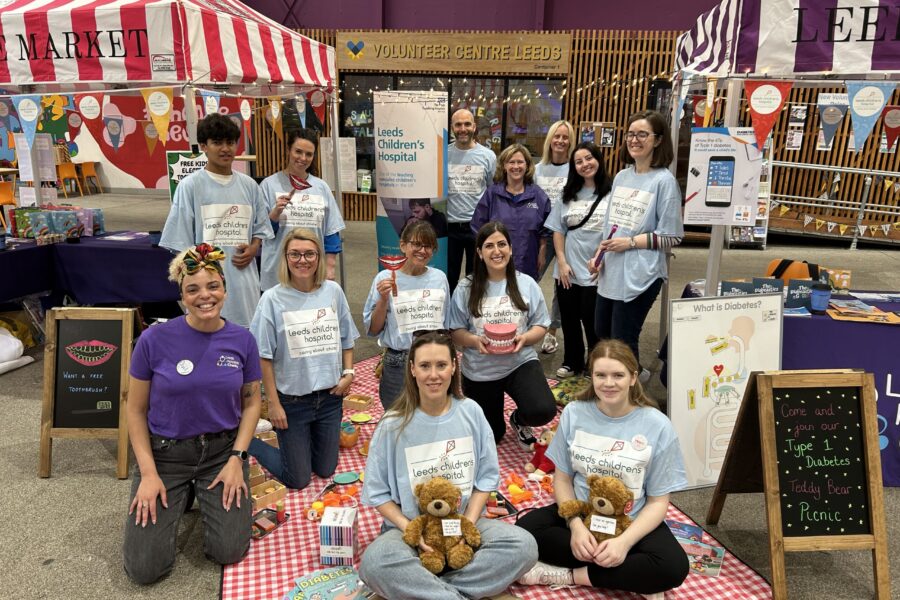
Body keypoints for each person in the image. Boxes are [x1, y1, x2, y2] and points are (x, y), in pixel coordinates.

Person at [359, 330, 538, 599]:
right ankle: (459, 591)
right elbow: (377, 493)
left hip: (462, 522)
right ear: (412, 370)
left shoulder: (471, 412)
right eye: (425, 366)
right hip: (410, 529)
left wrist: (467, 525)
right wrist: (410, 530)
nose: (434, 375)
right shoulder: (392, 424)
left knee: (524, 545)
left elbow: (485, 480)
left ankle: (427, 589)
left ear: (454, 366)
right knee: (374, 563)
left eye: (442, 365)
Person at [123, 243, 261, 584]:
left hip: (221, 454)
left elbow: (252, 403)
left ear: (225, 290)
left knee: (228, 551)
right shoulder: (154, 339)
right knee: (144, 570)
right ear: (182, 296)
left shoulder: (242, 340)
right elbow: (135, 409)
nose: (205, 296)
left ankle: (198, 491)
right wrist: (149, 474)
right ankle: (181, 491)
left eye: (213, 286)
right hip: (166, 456)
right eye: (193, 289)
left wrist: (236, 459)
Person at [516, 339, 689, 598]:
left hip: (630, 520)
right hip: (582, 512)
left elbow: (658, 501)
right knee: (522, 533)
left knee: (674, 567)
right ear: (591, 376)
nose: (609, 383)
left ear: (633, 377)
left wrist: (624, 542)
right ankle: (631, 574)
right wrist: (575, 525)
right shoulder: (574, 413)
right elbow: (562, 480)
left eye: (618, 375)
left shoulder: (658, 425)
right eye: (600, 375)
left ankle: (571, 575)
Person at [248, 228, 359, 489]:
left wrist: (349, 373)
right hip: (292, 402)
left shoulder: (333, 292)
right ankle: (251, 443)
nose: (303, 260)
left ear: (319, 257)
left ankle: (300, 444)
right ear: (285, 258)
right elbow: (263, 356)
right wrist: (273, 404)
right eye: (295, 254)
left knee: (325, 470)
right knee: (297, 479)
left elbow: (347, 339)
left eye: (310, 254)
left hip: (330, 399)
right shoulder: (272, 300)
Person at [590, 110, 683, 378]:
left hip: (642, 273)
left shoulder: (664, 182)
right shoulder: (621, 176)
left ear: (658, 140)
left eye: (643, 134)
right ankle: (635, 376)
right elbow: (611, 225)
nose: (634, 139)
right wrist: (598, 257)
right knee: (602, 331)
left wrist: (629, 243)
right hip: (612, 270)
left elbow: (672, 235)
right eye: (631, 134)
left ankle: (631, 400)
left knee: (622, 340)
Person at [449, 221, 557, 450]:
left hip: (519, 363)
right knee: (492, 435)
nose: (496, 251)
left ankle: (519, 419)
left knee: (542, 410)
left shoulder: (526, 283)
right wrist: (473, 341)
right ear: (479, 252)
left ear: (510, 248)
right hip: (480, 370)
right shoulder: (465, 288)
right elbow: (455, 331)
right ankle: (496, 420)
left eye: (502, 244)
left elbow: (541, 325)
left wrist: (525, 339)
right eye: (489, 246)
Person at [160, 113, 273, 328]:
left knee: (245, 335)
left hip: (244, 282)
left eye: (230, 143)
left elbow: (261, 228)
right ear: (203, 145)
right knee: (208, 336)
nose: (225, 149)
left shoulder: (250, 186)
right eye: (217, 143)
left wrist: (254, 247)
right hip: (207, 286)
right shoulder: (191, 186)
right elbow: (181, 244)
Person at [364, 220, 450, 409]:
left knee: (431, 416)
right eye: (417, 244)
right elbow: (372, 329)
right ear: (403, 245)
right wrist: (383, 300)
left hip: (432, 359)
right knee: (396, 419)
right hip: (398, 361)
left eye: (428, 246)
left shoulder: (439, 278)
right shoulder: (385, 278)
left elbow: (446, 323)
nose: (423, 250)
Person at [545, 142, 612, 378]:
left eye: (589, 158)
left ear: (598, 159)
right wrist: (561, 262)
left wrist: (602, 258)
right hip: (568, 269)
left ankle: (594, 364)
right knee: (570, 318)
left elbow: (617, 230)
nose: (585, 164)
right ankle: (571, 361)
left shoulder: (612, 192)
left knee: (593, 322)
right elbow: (557, 230)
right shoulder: (568, 194)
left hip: (597, 269)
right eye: (579, 161)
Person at [259, 128, 345, 290]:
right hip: (278, 270)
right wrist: (275, 212)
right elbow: (261, 232)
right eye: (298, 152)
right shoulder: (269, 185)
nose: (303, 158)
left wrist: (330, 267)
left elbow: (331, 231)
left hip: (312, 268)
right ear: (288, 150)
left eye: (309, 154)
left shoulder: (321, 187)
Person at [470, 144, 552, 281]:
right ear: (504, 165)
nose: (516, 166)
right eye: (511, 162)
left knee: (524, 298)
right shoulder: (492, 194)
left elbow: (545, 231)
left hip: (528, 260)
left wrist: (542, 254)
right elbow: (478, 226)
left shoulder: (538, 196)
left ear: (527, 166)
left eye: (520, 162)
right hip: (496, 261)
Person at [535, 120, 575, 355]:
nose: (560, 141)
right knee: (530, 278)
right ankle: (527, 324)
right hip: (541, 236)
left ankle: (552, 333)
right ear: (550, 140)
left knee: (563, 284)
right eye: (556, 136)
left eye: (565, 137)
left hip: (566, 236)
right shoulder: (538, 169)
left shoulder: (575, 170)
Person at [446, 108, 497, 295]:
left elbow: (493, 192)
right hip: (450, 227)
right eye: (458, 124)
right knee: (449, 276)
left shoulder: (488, 156)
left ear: (474, 127)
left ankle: (470, 316)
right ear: (452, 128)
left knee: (475, 276)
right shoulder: (443, 154)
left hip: (477, 227)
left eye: (467, 124)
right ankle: (450, 317)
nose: (463, 128)